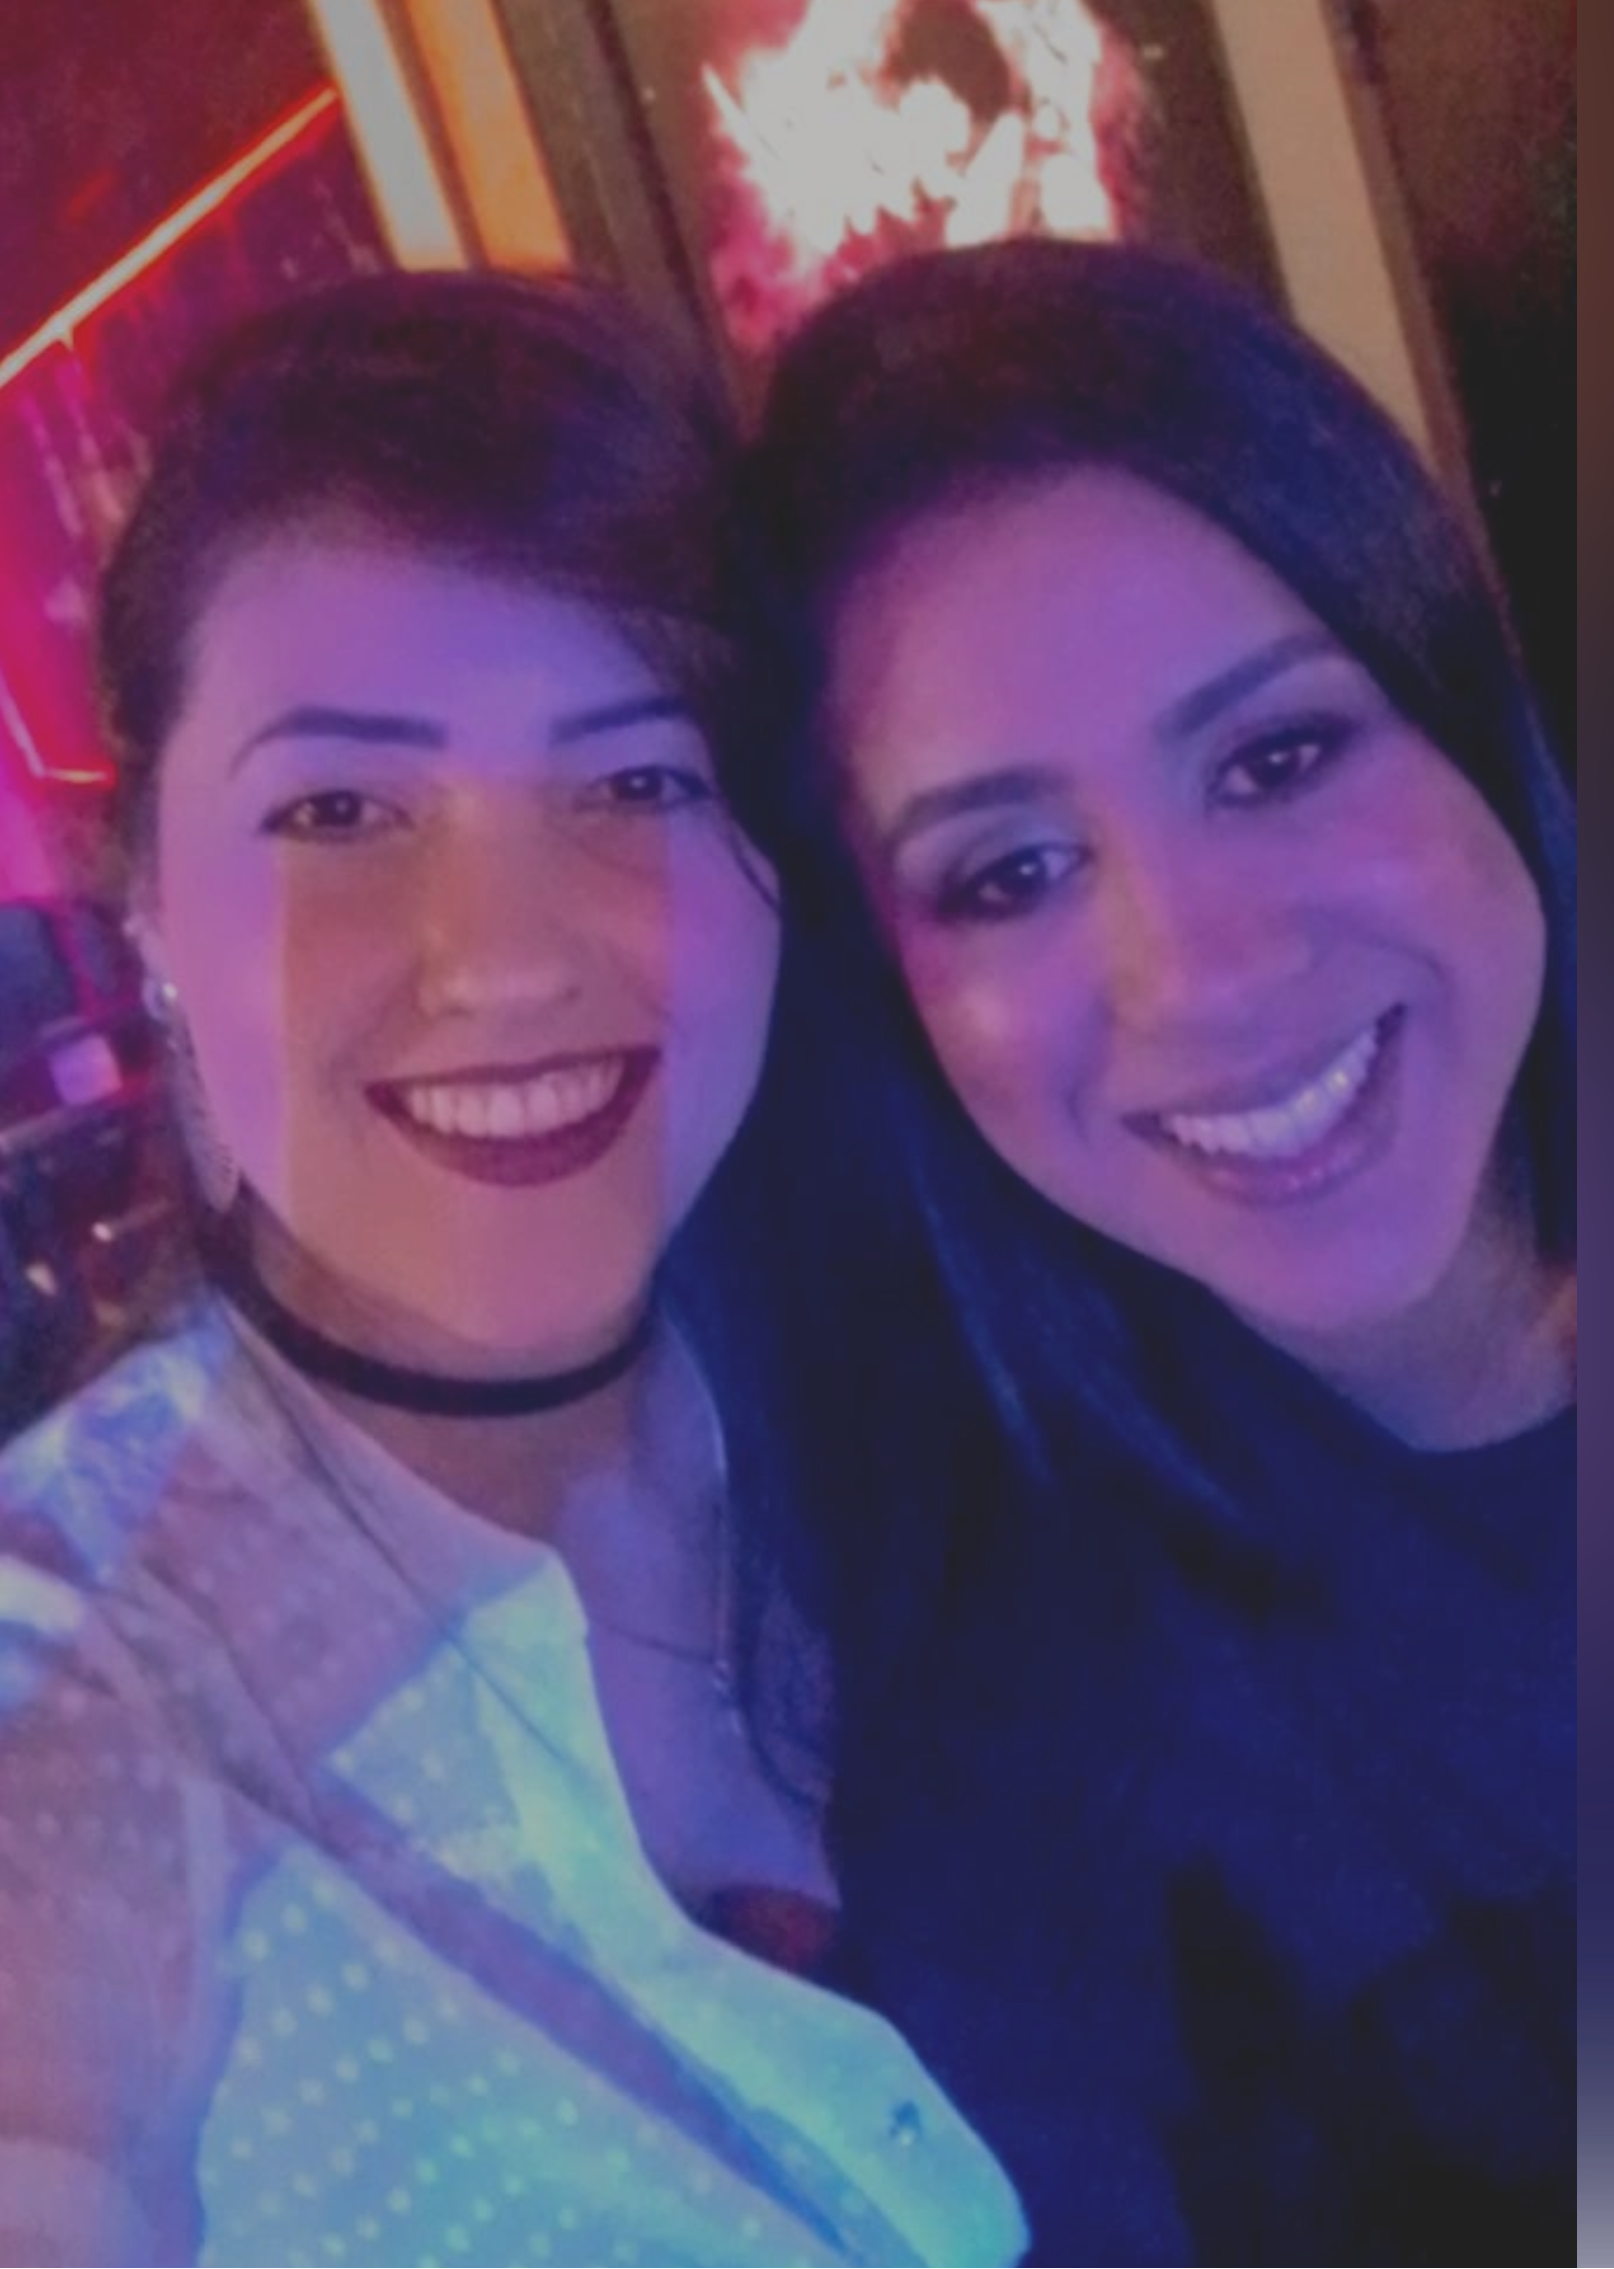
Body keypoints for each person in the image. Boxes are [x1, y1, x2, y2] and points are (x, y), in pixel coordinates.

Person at [0, 270, 1027, 2269]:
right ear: (151, 922)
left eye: (636, 780)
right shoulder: (94, 1672)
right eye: (338, 809)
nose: (511, 956)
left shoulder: (937, 1356)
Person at [738, 238, 1576, 2265]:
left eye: (1277, 757)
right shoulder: (1033, 1788)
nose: (1197, 972)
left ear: (1457, 707)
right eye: (1008, 873)